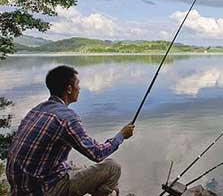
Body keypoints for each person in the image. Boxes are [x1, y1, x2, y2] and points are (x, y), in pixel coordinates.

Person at [6, 65, 135, 196]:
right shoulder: (67, 118)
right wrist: (121, 135)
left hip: (20, 189)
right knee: (112, 168)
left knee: (78, 167)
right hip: (43, 190)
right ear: (69, 88)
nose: (79, 88)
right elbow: (97, 154)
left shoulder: (36, 110)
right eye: (77, 84)